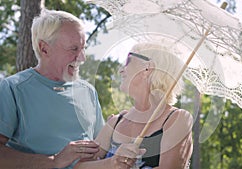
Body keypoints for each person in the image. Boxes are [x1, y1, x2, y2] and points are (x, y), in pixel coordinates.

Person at [0, 9, 140, 169]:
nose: (82, 57)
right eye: (74, 49)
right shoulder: (13, 89)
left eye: (83, 48)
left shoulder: (87, 91)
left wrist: (114, 132)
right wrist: (54, 161)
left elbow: (96, 154)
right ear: (44, 48)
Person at [74, 43, 193, 169]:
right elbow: (79, 167)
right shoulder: (115, 122)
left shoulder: (178, 119)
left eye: (128, 62)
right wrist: (110, 163)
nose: (121, 70)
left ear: (147, 69)